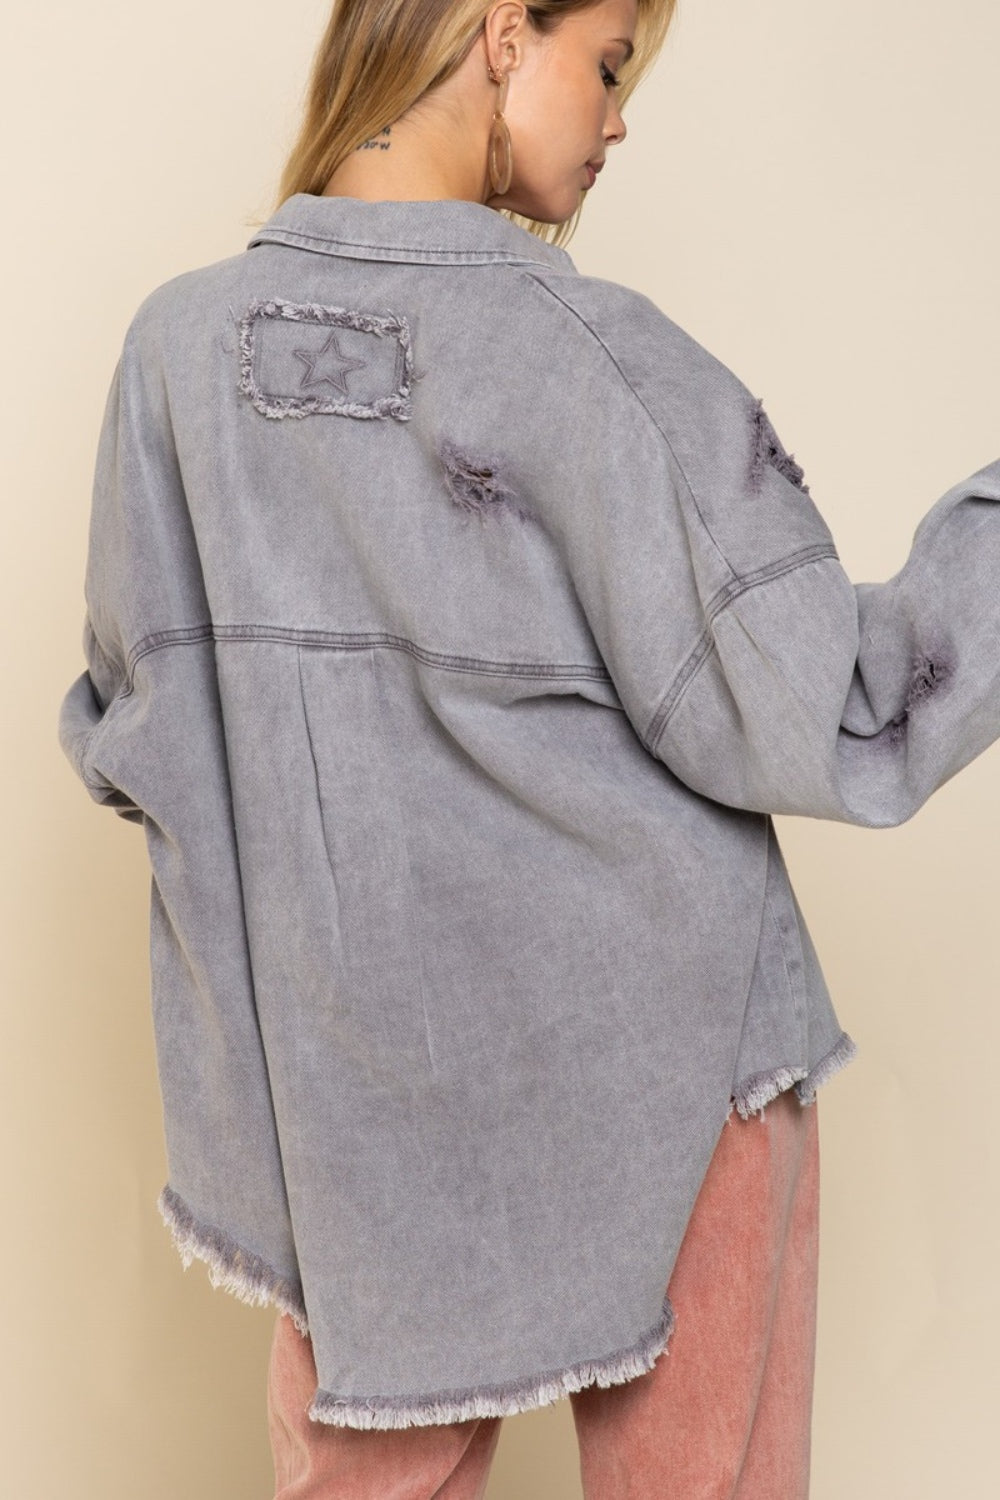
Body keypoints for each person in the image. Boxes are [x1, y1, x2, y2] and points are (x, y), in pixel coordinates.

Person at [56, 0, 998, 1496]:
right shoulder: (585, 351)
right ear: (505, 34)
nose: (619, 118)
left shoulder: (173, 357)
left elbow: (141, 737)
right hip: (679, 1058)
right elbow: (842, 707)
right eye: (610, 61)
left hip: (347, 1103)